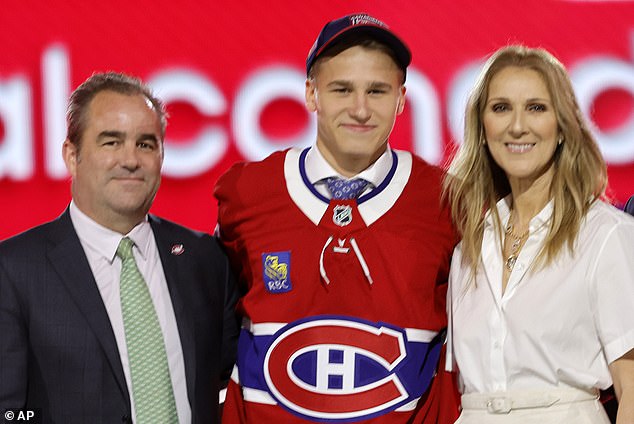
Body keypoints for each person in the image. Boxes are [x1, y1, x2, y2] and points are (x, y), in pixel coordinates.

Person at [214, 12, 459, 424]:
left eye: (377, 91)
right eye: (342, 89)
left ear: (401, 99)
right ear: (312, 95)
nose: (360, 109)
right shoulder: (247, 194)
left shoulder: (448, 201)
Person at [0, 72, 239, 424]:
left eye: (146, 144)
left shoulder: (205, 260)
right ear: (71, 155)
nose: (131, 160)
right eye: (111, 142)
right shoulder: (14, 270)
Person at [443, 45, 634, 423]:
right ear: (482, 129)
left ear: (563, 126)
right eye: (500, 108)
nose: (517, 126)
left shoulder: (606, 236)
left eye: (536, 107)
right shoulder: (468, 247)